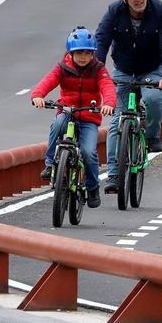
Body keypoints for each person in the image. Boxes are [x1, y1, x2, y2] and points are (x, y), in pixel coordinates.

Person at [96, 0, 162, 193]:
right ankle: (114, 174)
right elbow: (101, 39)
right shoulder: (114, 12)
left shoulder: (161, 11)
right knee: (116, 122)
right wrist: (96, 70)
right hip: (123, 70)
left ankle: (152, 135)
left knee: (153, 99)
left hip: (152, 69)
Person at [31, 27, 116, 209]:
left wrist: (108, 103)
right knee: (57, 125)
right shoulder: (62, 67)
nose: (83, 57)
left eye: (87, 53)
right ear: (70, 52)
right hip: (67, 112)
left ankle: (92, 188)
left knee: (88, 152)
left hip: (88, 117)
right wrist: (38, 95)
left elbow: (107, 86)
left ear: (93, 53)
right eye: (78, 52)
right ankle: (49, 164)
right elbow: (48, 80)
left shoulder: (98, 69)